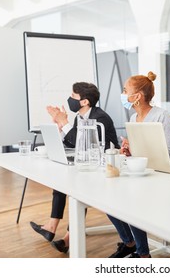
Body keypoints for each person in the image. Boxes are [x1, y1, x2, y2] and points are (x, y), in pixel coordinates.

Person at [30, 82, 119, 253]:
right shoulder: (80, 117)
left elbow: (86, 143)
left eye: (73, 96)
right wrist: (60, 126)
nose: (70, 99)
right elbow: (73, 141)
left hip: (105, 166)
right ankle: (51, 226)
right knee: (61, 180)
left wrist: (65, 123)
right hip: (89, 162)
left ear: (85, 102)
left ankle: (69, 238)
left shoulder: (100, 118)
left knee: (78, 188)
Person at [107, 71, 170, 258]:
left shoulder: (161, 116)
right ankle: (130, 243)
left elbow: (169, 154)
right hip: (140, 175)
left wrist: (139, 150)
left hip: (159, 178)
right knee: (108, 201)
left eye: (125, 90)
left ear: (137, 96)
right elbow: (139, 154)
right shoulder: (132, 119)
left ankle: (143, 254)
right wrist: (130, 150)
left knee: (131, 202)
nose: (122, 94)